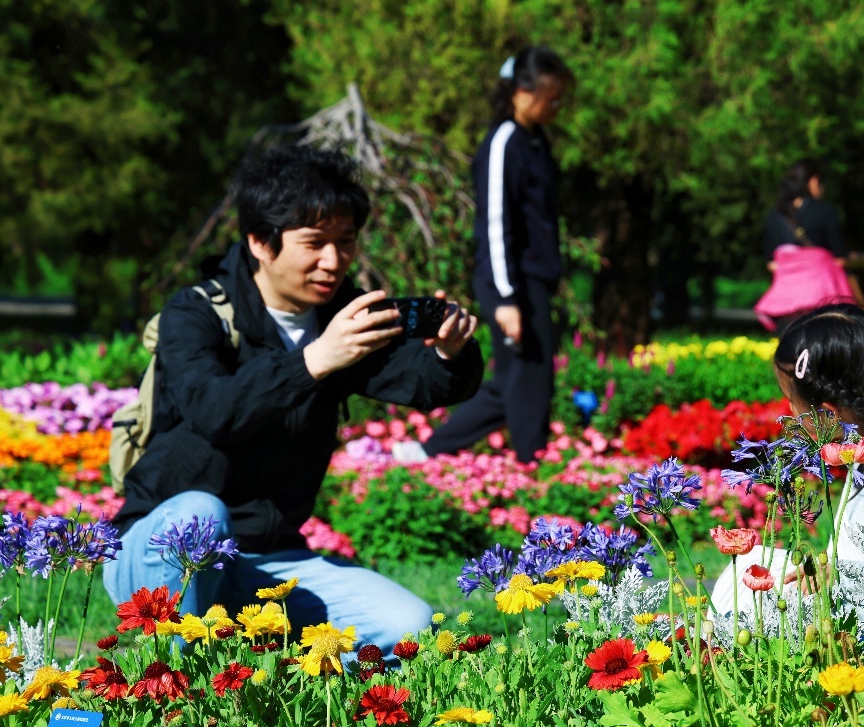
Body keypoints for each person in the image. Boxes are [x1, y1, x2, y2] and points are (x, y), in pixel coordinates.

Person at [107, 144, 483, 656]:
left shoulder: (339, 316)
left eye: (345, 242)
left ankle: (279, 679)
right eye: (315, 243)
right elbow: (212, 409)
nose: (334, 261)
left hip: (268, 561)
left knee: (410, 628)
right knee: (198, 513)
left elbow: (419, 384)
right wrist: (313, 360)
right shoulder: (196, 313)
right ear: (261, 241)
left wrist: (451, 354)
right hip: (160, 552)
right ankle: (179, 682)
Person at [709, 304, 864, 613]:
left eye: (792, 401)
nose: (788, 411)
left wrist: (836, 575)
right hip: (846, 591)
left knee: (744, 593)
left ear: (828, 415)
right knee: (748, 562)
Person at [421, 46, 574, 464]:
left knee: (515, 379)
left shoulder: (536, 141)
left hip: (533, 279)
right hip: (511, 282)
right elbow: (495, 222)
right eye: (551, 97)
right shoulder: (505, 141)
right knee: (530, 377)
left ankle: (426, 451)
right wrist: (506, 298)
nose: (556, 106)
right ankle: (532, 467)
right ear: (522, 92)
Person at [763, 159, 864, 275]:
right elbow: (840, 259)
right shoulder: (824, 210)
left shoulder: (774, 215)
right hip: (821, 287)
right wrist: (863, 260)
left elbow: (772, 264)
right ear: (815, 181)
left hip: (785, 291)